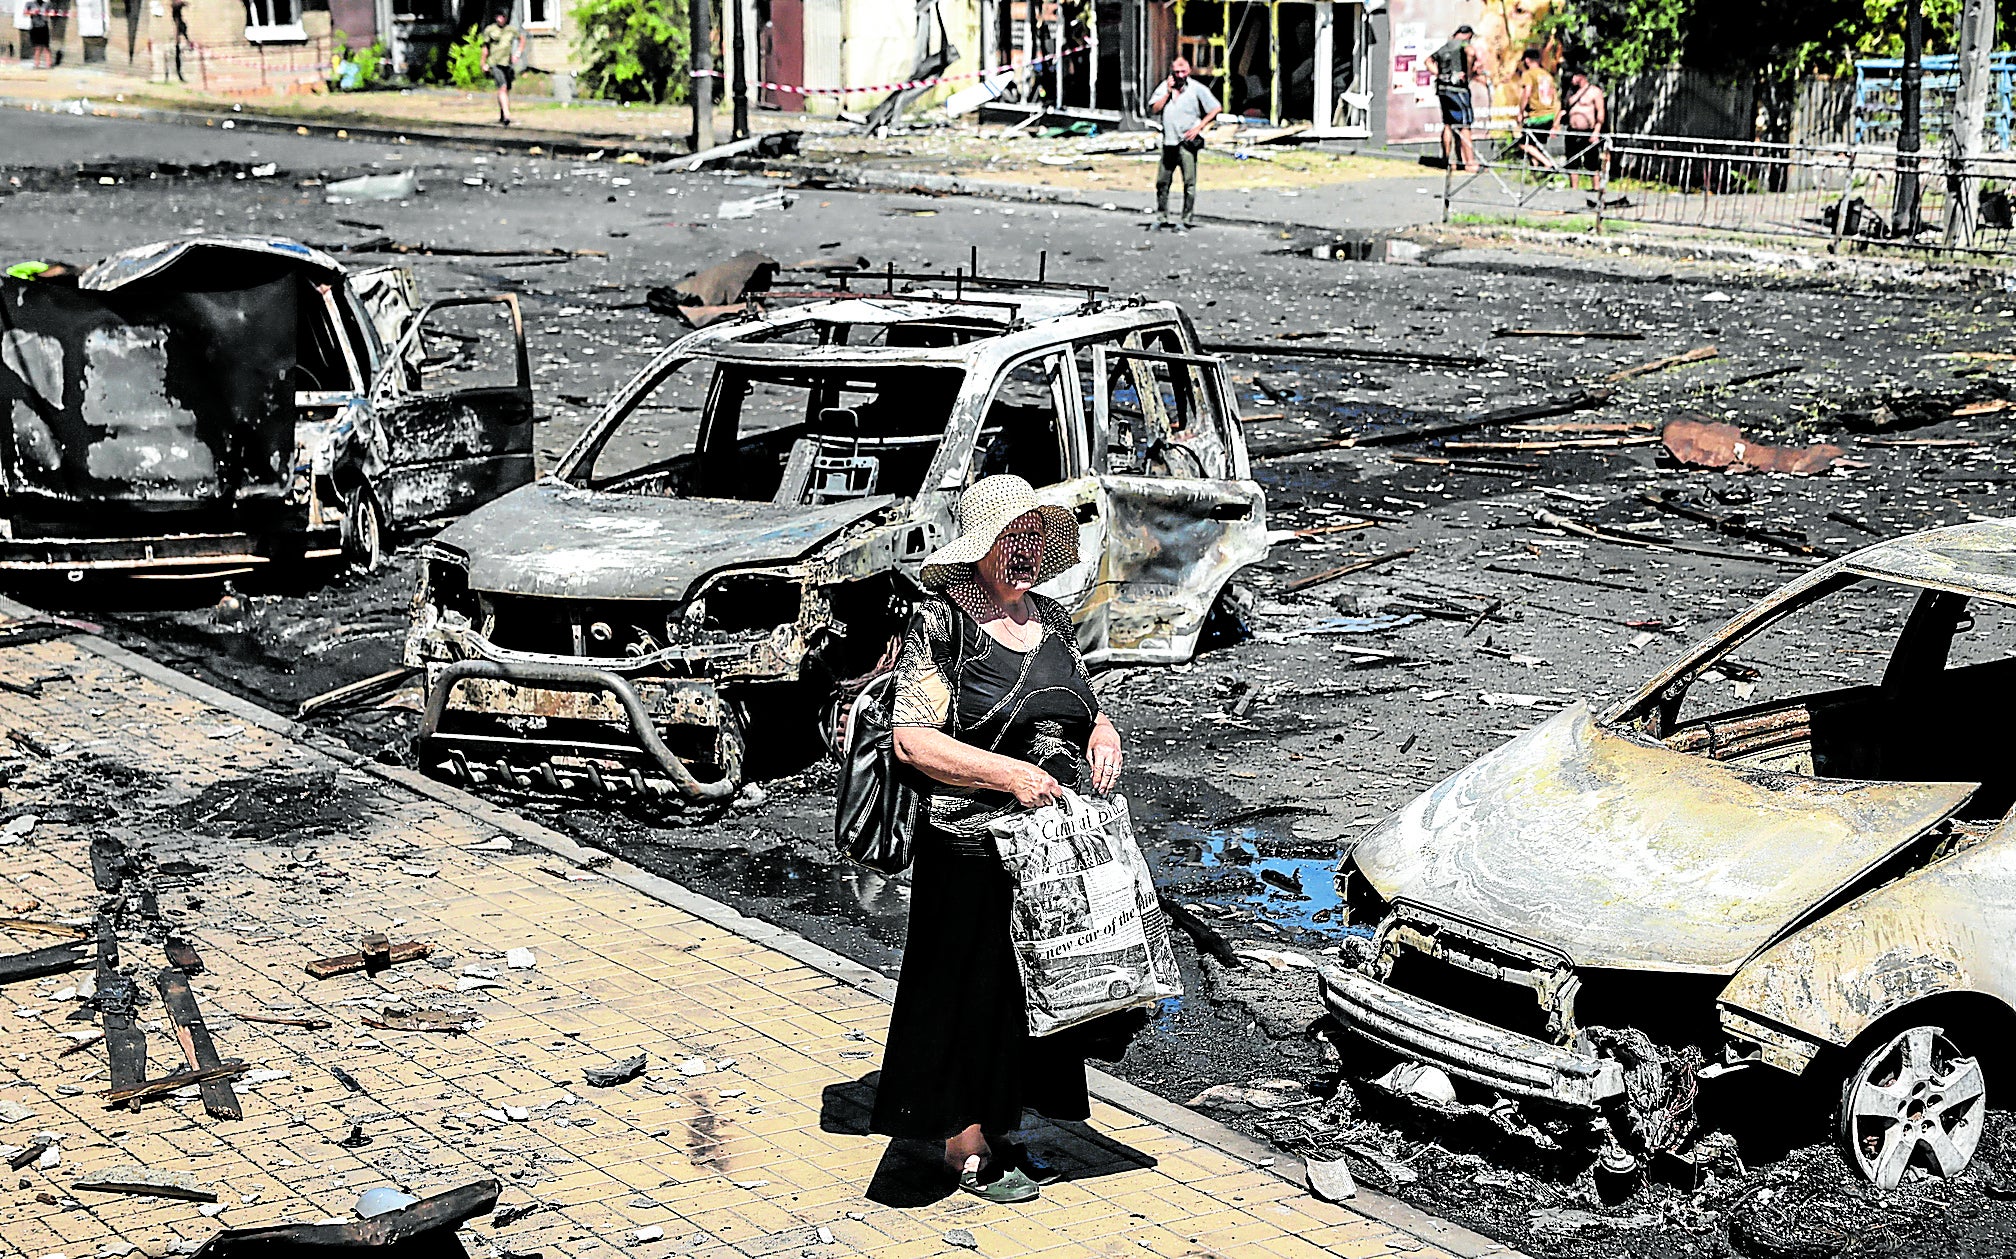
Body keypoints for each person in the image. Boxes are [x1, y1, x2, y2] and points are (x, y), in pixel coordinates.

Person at [871, 474, 1129, 1204]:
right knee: (966, 994)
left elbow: (1085, 706)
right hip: (967, 842)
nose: (1022, 552)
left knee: (1026, 995)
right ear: (979, 547)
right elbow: (912, 741)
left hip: (1043, 848)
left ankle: (1000, 1122)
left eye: (1032, 539)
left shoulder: (1049, 615)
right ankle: (965, 1146)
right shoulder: (943, 624)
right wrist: (1008, 775)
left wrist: (1103, 734)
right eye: (1008, 539)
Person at [1146, 56, 1221, 233]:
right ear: (1172, 71)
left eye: (1183, 71)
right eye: (1177, 72)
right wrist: (1167, 91)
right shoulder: (1164, 87)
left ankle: (1186, 219)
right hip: (1168, 142)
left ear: (1188, 71)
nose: (1180, 75)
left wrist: (1199, 127)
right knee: (1162, 182)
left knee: (1189, 183)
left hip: (1186, 143)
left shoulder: (1196, 89)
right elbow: (1154, 109)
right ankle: (1162, 217)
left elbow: (1215, 108)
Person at [1430, 25, 1480, 173]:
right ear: (1467, 35)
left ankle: (1448, 160)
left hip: (1443, 89)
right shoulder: (1464, 44)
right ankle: (1470, 163)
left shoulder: (1446, 46)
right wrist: (1469, 72)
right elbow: (1471, 53)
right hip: (1458, 90)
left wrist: (1439, 75)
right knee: (1465, 126)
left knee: (1448, 124)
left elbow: (1428, 61)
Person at [1554, 66, 1608, 191]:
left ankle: (1596, 188)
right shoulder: (1570, 92)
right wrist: (1555, 125)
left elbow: (1600, 112)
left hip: (1588, 131)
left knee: (1592, 161)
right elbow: (1563, 110)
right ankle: (1574, 189)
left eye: (1573, 77)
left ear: (1580, 77)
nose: (1571, 80)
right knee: (1572, 161)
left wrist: (1596, 131)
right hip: (1572, 131)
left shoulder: (1594, 91)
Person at [1513, 47, 1559, 170]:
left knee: (1523, 144)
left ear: (1527, 60)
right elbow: (1554, 94)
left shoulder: (1528, 74)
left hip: (1537, 115)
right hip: (1550, 114)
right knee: (1535, 145)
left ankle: (1548, 163)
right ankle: (1536, 171)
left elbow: (1526, 93)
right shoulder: (1547, 75)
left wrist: (1521, 112)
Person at [479, 9, 524, 126]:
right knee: (502, 87)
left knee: (506, 89)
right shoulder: (490, 30)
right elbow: (485, 47)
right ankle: (507, 115)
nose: (501, 19)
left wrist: (517, 54)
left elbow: (522, 39)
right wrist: (483, 63)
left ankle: (502, 114)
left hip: (507, 64)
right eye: (498, 16)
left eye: (503, 17)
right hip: (495, 63)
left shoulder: (510, 30)